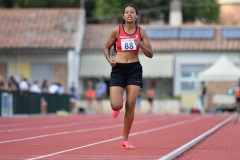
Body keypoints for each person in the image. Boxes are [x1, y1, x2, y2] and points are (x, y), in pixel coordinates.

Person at [104, 4, 153, 149]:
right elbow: (106, 47)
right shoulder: (116, 31)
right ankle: (118, 104)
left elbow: (150, 54)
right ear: (123, 16)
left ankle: (125, 139)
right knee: (116, 104)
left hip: (134, 69)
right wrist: (110, 60)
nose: (129, 14)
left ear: (137, 16)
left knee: (131, 105)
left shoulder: (141, 32)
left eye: (132, 12)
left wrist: (140, 45)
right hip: (118, 69)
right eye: (127, 12)